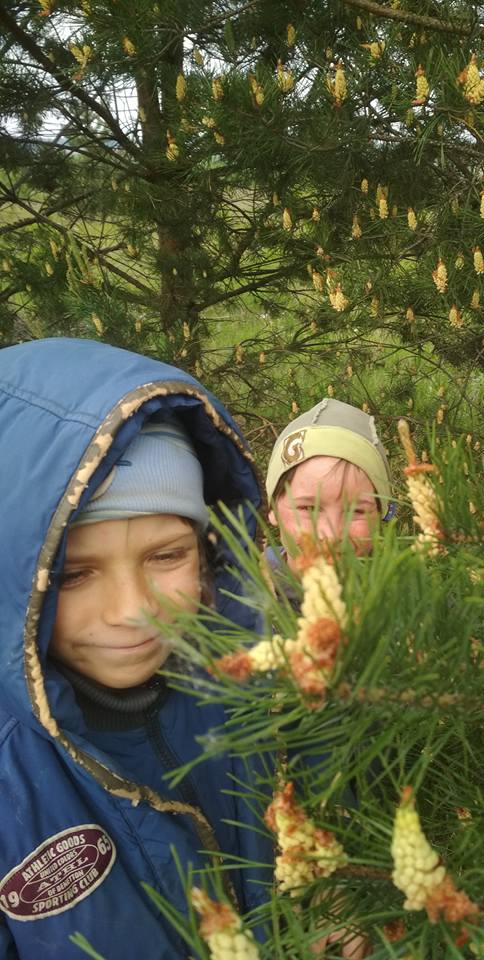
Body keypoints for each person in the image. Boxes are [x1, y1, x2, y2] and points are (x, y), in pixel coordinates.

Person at [0, 338, 272, 959]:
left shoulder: (267, 685)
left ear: (208, 550)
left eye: (166, 555)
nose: (133, 610)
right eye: (72, 574)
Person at [264, 398, 393, 581]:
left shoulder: (413, 601)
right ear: (271, 508)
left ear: (382, 512)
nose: (331, 536)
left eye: (356, 511)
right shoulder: (230, 596)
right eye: (309, 508)